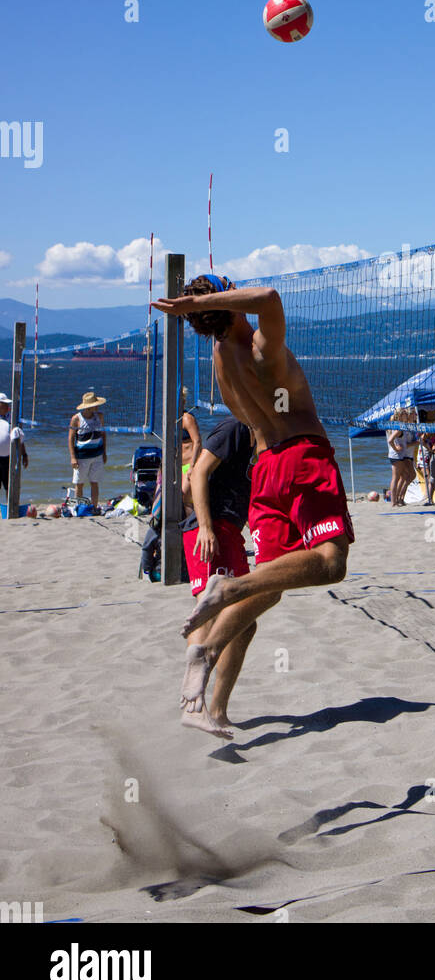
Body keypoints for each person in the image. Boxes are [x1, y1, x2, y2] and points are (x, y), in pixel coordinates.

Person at [153, 275, 353, 730]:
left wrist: (198, 306)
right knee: (331, 563)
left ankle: (204, 661)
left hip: (265, 471)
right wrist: (198, 301)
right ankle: (228, 589)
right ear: (229, 299)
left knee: (272, 584)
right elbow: (269, 298)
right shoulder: (263, 347)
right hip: (302, 455)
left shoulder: (221, 361)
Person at [181, 415, 255, 737]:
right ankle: (192, 707)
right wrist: (206, 526)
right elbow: (197, 473)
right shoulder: (235, 427)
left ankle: (218, 711)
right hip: (210, 530)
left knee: (244, 623)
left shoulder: (260, 442)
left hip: (230, 532)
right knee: (208, 614)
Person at [68, 392, 108, 509]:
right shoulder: (76, 419)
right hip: (82, 457)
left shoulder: (99, 416)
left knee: (94, 482)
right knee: (79, 484)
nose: (97, 407)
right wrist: (73, 457)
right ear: (89, 406)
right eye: (95, 404)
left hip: (97, 455)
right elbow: (70, 438)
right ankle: (79, 508)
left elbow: (103, 434)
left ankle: (94, 507)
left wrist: (104, 452)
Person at [386, 408, 417, 507]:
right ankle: (393, 501)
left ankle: (396, 500)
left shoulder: (400, 426)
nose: (406, 415)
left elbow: (393, 439)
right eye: (404, 413)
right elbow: (390, 440)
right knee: (396, 478)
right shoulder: (399, 427)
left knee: (404, 476)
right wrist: (396, 448)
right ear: (399, 416)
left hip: (400, 455)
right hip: (397, 456)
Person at [0, 393, 28, 497]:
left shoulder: (11, 418)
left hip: (8, 457)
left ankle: (8, 508)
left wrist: (24, 454)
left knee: (9, 485)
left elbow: (19, 436)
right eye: (4, 404)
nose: (8, 407)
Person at [180, 387, 203, 512]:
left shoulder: (187, 418)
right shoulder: (171, 419)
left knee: (185, 496)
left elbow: (197, 441)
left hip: (190, 464)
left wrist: (192, 466)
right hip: (178, 466)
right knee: (180, 498)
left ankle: (191, 527)